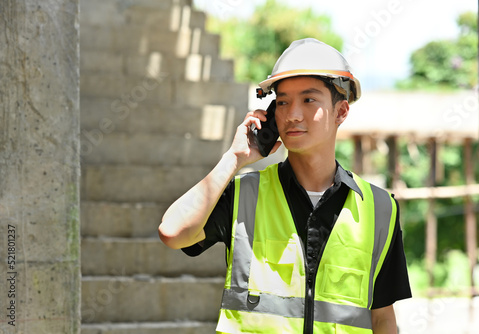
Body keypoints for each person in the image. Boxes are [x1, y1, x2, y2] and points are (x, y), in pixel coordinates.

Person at [159, 38, 411, 333]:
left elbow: (383, 319)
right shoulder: (244, 196)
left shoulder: (379, 209)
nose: (292, 114)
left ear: (341, 112)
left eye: (308, 99)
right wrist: (235, 158)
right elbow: (173, 233)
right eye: (282, 102)